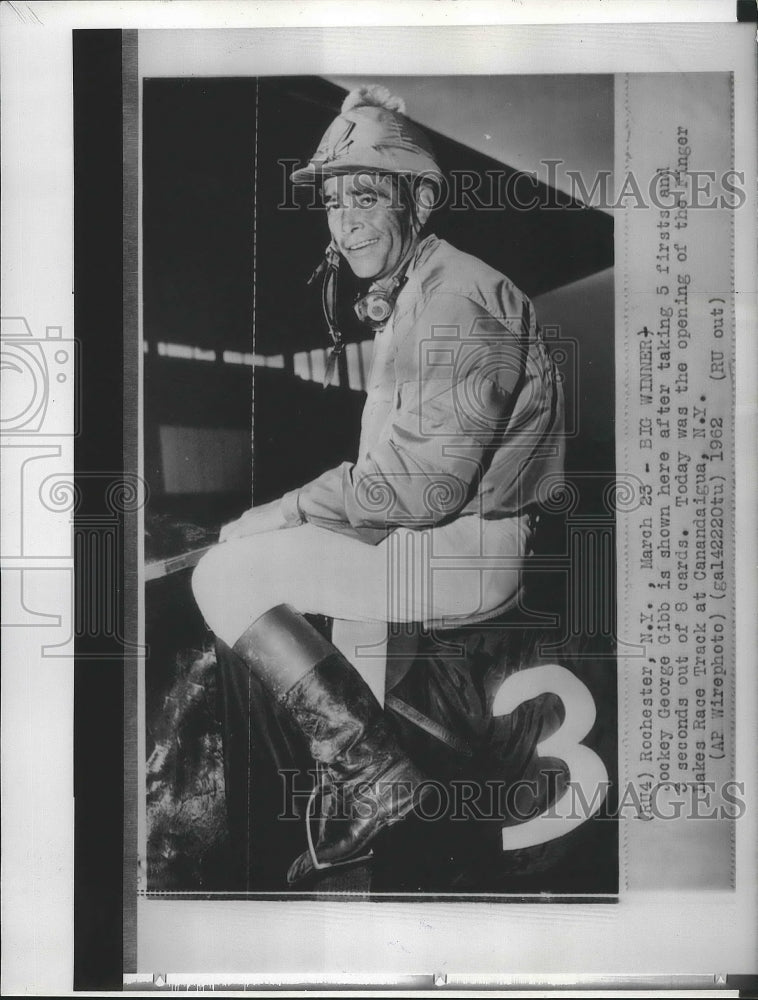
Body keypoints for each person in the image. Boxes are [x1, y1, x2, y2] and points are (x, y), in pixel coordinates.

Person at [191, 85, 565, 888]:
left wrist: (278, 512)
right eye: (332, 202)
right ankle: (361, 781)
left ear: (418, 200)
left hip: (467, 552)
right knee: (267, 549)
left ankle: (371, 774)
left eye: (366, 195)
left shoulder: (458, 294)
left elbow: (420, 489)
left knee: (224, 571)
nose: (347, 220)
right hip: (440, 540)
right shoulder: (420, 295)